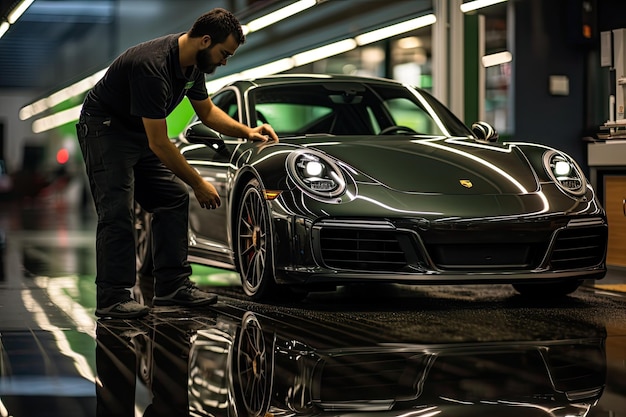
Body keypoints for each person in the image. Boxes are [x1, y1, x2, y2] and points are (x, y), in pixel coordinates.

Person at [76, 8, 279, 319]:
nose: (224, 61)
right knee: (117, 209)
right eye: (224, 53)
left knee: (172, 196)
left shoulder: (193, 67)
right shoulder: (152, 66)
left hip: (136, 130)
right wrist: (199, 183)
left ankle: (172, 285)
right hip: (105, 128)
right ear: (205, 41)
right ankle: (112, 296)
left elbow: (208, 112)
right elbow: (159, 143)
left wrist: (248, 132)